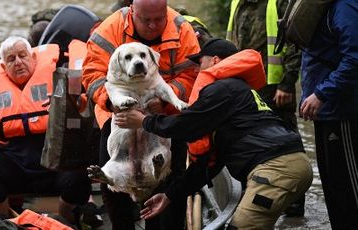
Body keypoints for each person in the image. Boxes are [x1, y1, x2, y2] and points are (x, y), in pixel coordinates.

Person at [115, 38, 313, 229]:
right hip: (294, 163)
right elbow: (209, 163)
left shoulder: (222, 88)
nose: (196, 70)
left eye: (200, 63)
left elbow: (185, 126)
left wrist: (144, 121)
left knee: (241, 227)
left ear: (215, 61)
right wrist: (169, 196)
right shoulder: (241, 91)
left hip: (275, 169)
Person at [82, 0, 200, 229]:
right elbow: (91, 74)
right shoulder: (110, 30)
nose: (153, 25)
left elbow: (192, 75)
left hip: (166, 117)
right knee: (112, 187)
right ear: (132, 11)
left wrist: (164, 103)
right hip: (117, 117)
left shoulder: (181, 29)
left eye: (159, 19)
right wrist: (111, 102)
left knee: (171, 182)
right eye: (146, 20)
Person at [0, 36, 91, 227]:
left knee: (80, 172)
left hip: (54, 162)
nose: (18, 62)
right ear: (4, 66)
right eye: (11, 59)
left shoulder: (58, 81)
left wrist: (66, 104)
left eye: (22, 56)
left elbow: (85, 109)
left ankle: (66, 218)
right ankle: (6, 221)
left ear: (33, 58)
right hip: (16, 164)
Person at [226, 0, 305, 216]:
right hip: (246, 86)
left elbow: (295, 43)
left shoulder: (277, 3)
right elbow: (232, 41)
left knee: (287, 140)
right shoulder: (237, 3)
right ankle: (256, 195)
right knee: (251, 141)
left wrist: (287, 83)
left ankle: (294, 203)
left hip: (275, 87)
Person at [299, 0, 358, 228]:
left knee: (348, 189)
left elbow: (354, 58)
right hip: (325, 112)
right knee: (333, 186)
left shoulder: (345, 6)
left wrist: (322, 94)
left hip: (342, 111)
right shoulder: (321, 6)